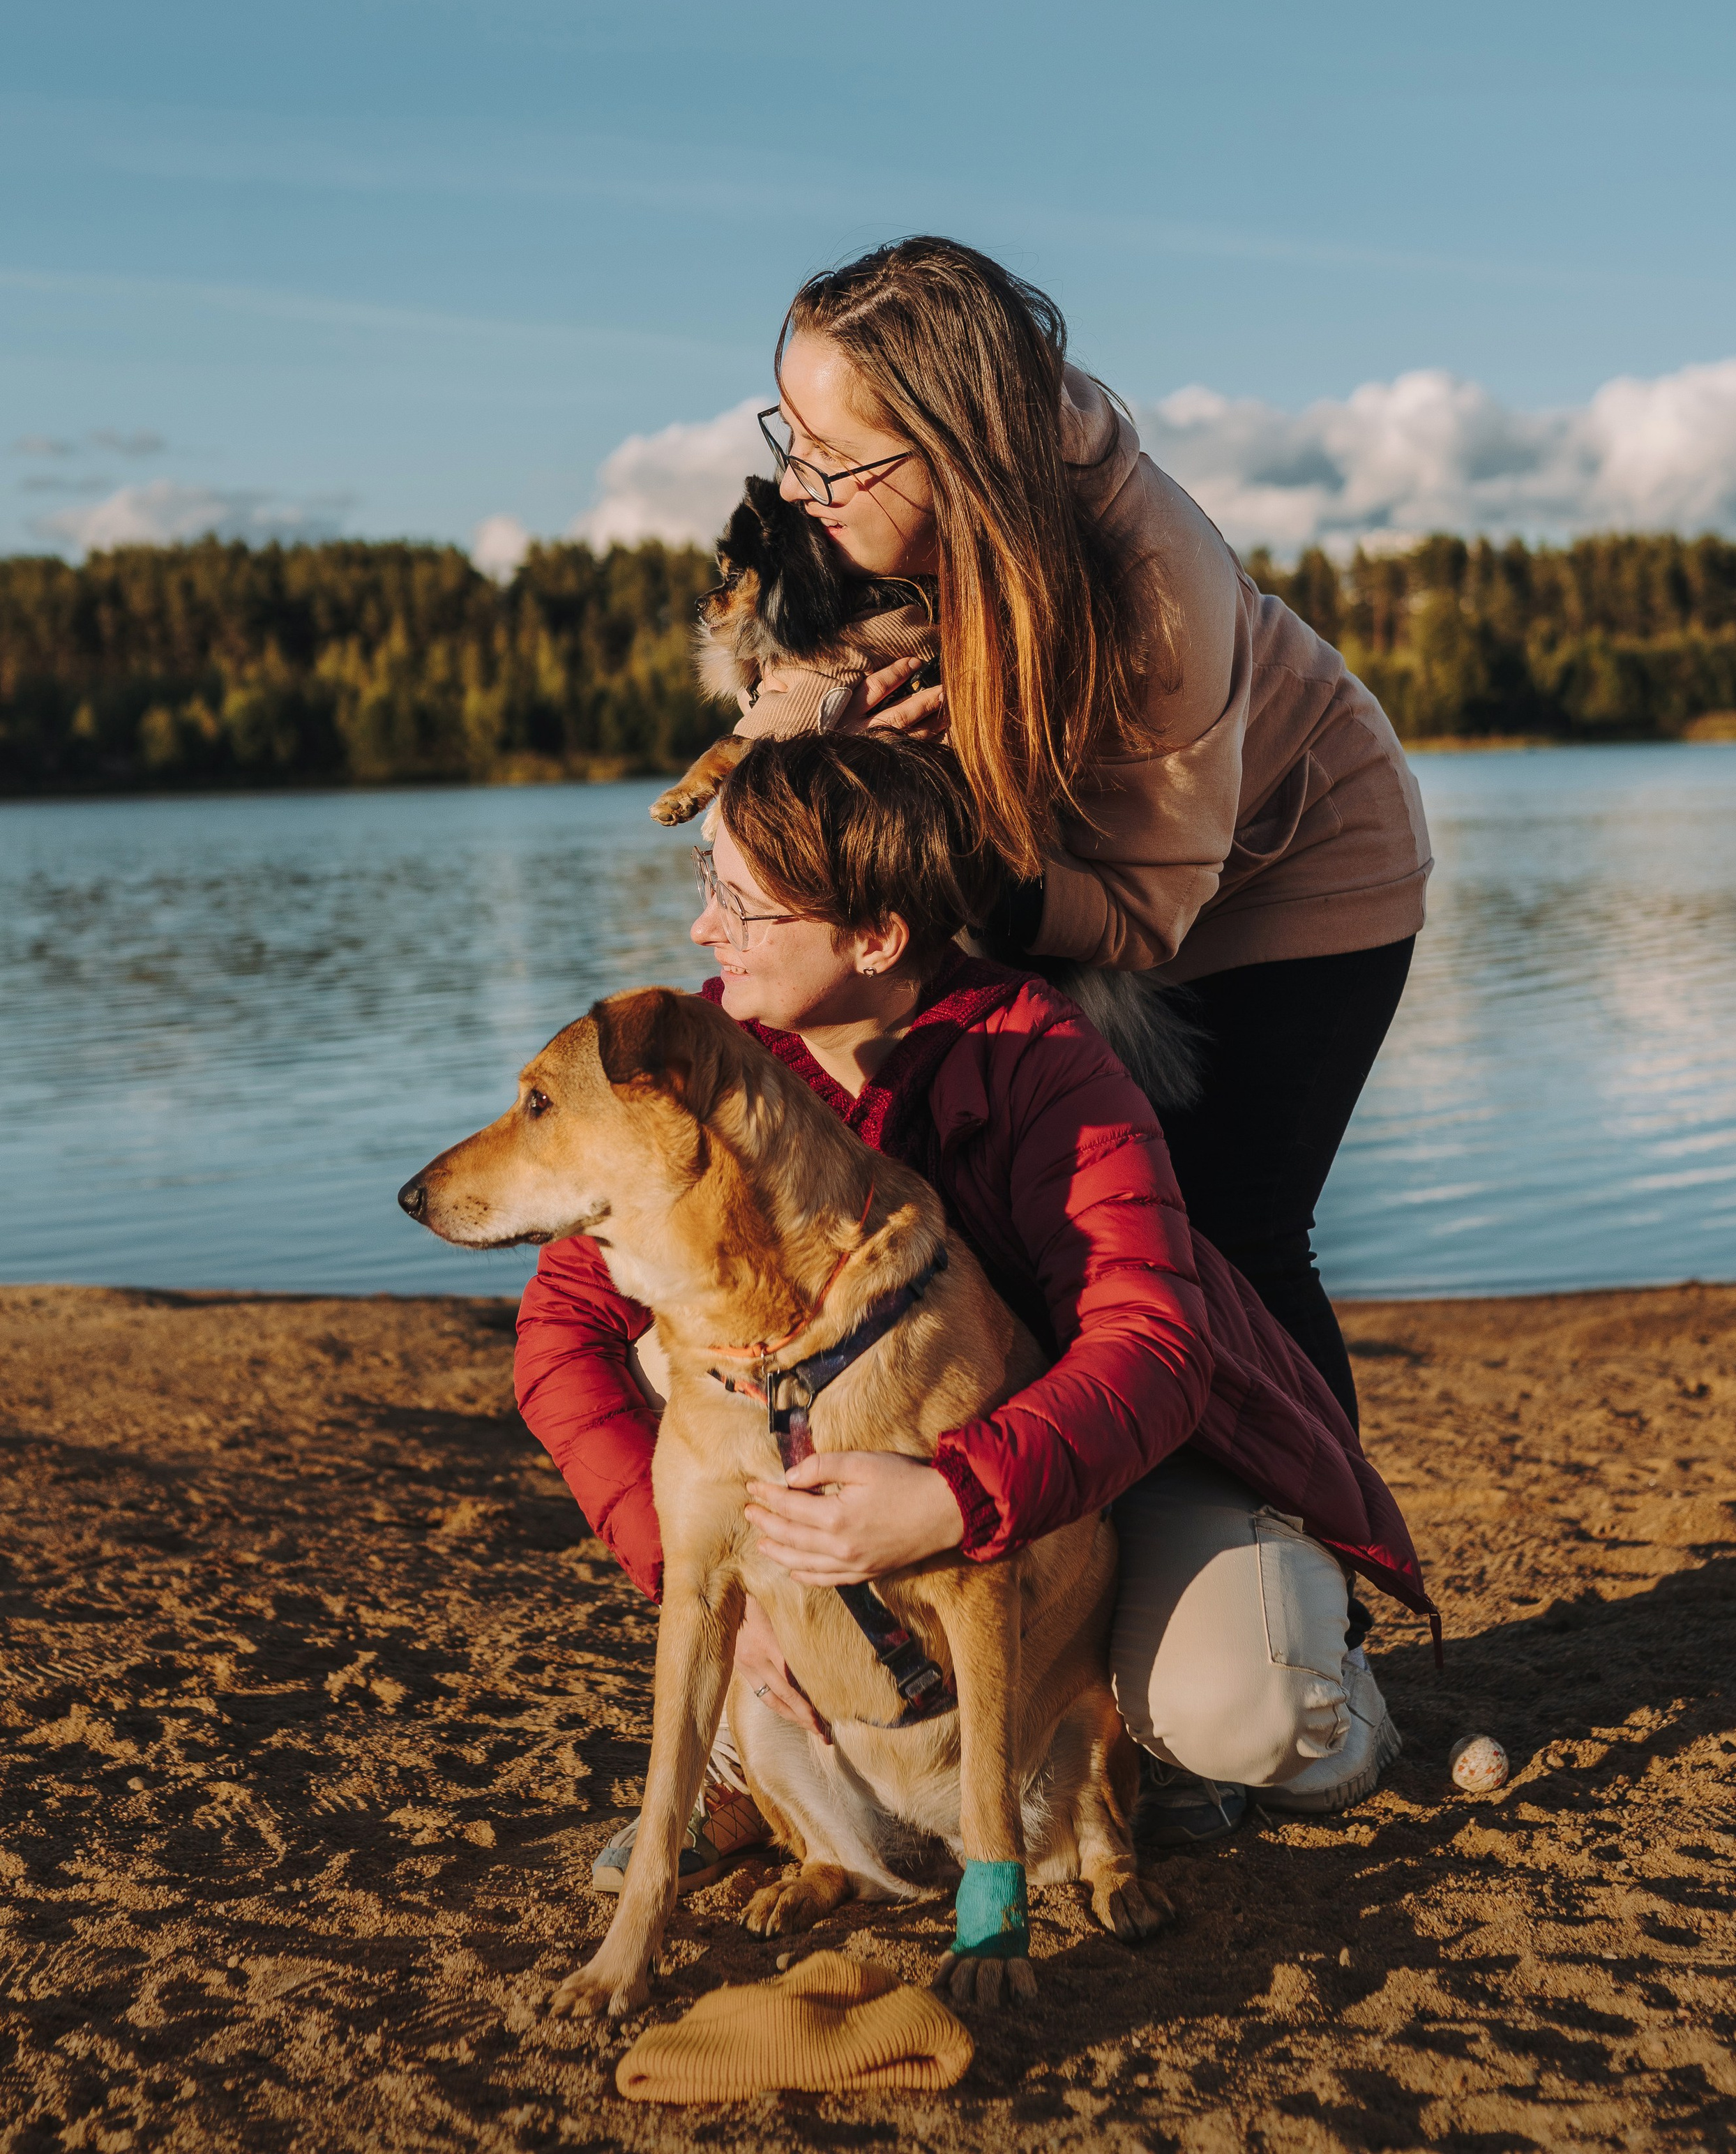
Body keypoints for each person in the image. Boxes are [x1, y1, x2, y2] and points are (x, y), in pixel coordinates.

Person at [514, 736, 1433, 1893]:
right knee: (668, 1332)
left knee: (1240, 1710)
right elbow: (560, 1338)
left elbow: (1151, 1351)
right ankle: (757, 1749)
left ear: (876, 937)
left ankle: (1318, 1703)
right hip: (863, 1482)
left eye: (743, 908)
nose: (706, 932)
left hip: (1111, 1462)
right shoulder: (705, 1065)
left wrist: (957, 1495)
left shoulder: (1045, 1065)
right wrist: (708, 1584)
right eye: (709, 885)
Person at [750, 236, 1433, 1436]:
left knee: (1233, 1231)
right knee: (1035, 1215)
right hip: (1068, 871)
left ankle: (1322, 1576)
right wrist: (829, 731)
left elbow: (1143, 910)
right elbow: (772, 726)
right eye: (789, 439)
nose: (803, 487)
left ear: (960, 449)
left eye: (839, 459)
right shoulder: (855, 513)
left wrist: (947, 847)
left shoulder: (1153, 580)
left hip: (1296, 867)